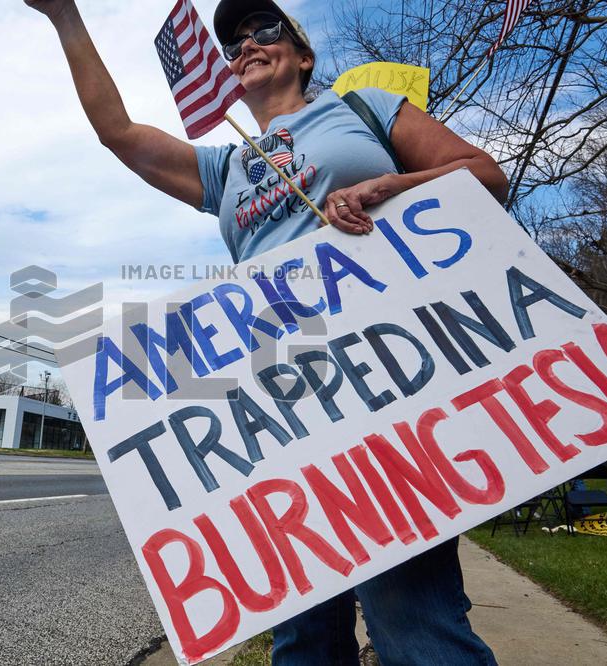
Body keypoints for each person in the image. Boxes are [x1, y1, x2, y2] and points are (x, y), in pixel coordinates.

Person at [27, 0, 508, 663]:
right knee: (303, 638)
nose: (247, 43)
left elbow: (486, 176)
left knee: (414, 623)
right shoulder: (226, 169)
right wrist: (64, 17)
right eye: (233, 42)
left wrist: (392, 187)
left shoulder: (362, 107)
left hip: (387, 397)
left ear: (303, 56)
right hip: (286, 415)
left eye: (266, 30)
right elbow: (118, 132)